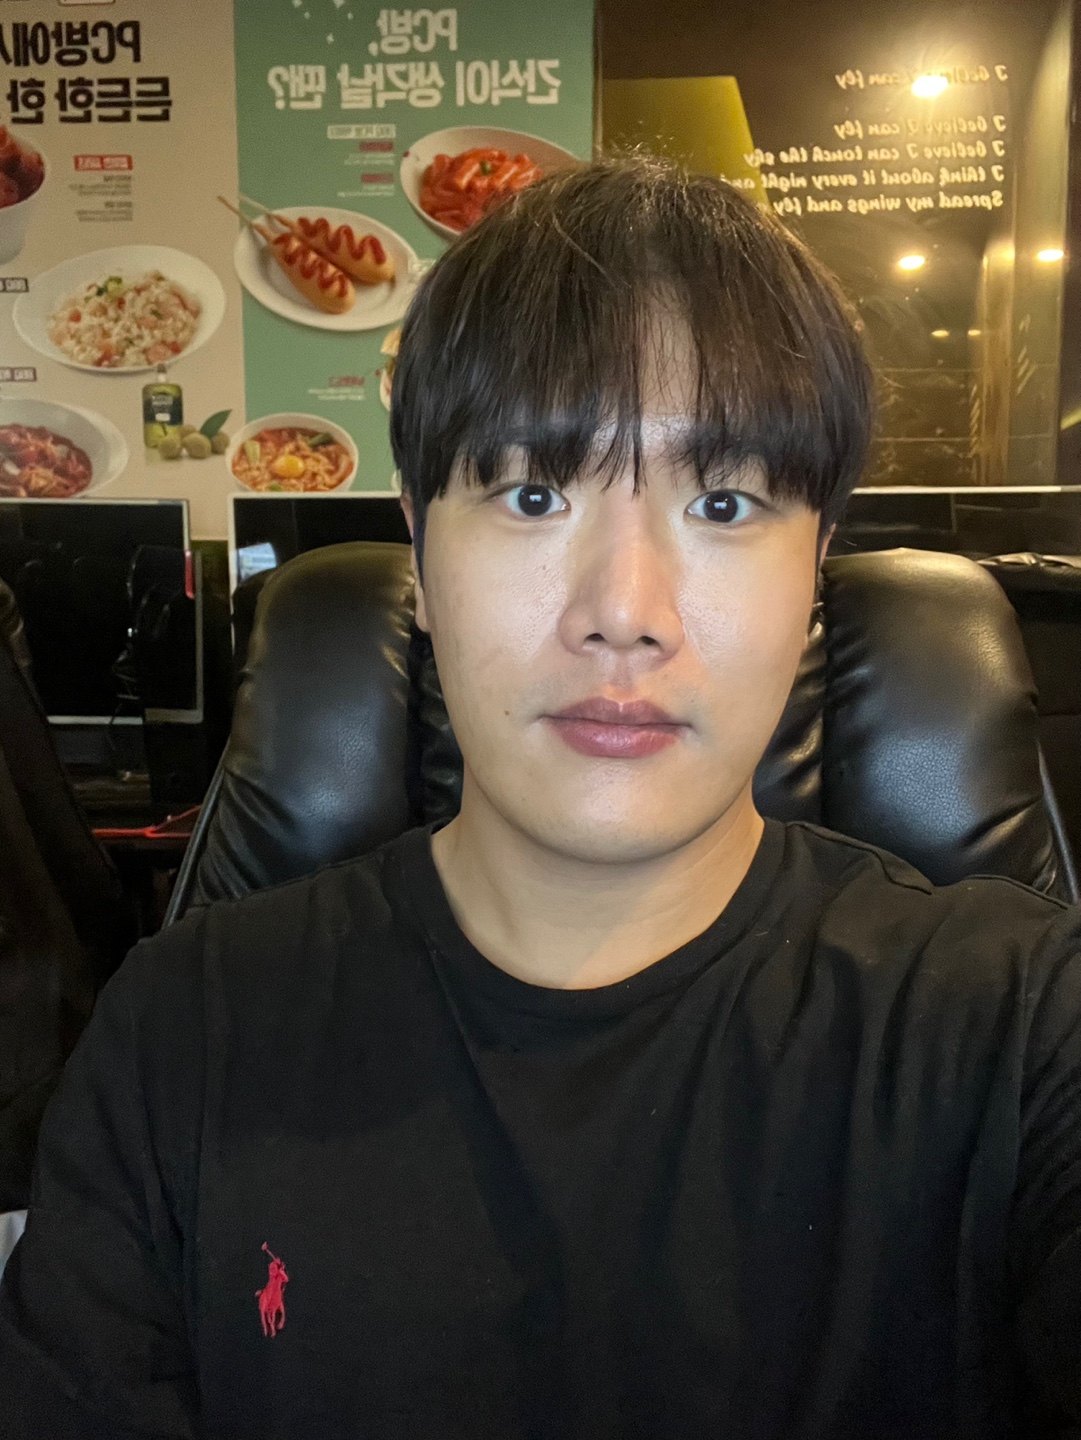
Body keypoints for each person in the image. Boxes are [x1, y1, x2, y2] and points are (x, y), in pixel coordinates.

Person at [2, 156, 1080, 1440]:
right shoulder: (182, 1036)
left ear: (814, 574)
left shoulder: (1023, 1030)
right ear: (419, 539)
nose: (622, 612)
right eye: (531, 494)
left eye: (723, 502)